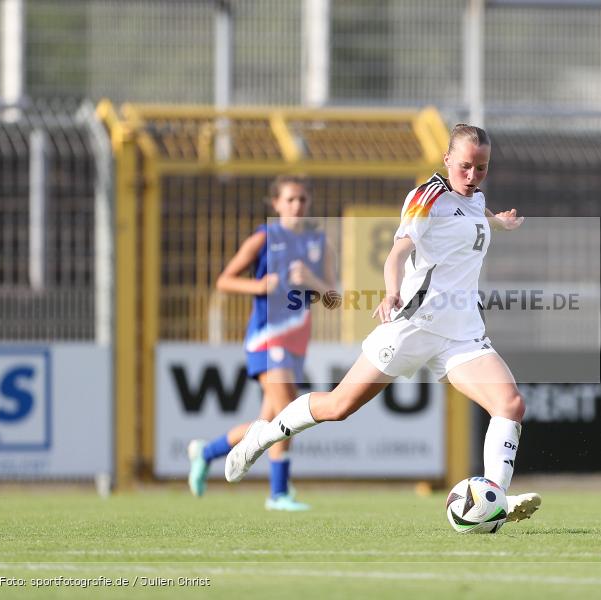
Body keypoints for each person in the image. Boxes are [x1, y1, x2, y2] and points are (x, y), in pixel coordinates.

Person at [225, 125, 541, 523]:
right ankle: (265, 434)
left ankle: (494, 498)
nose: (473, 176)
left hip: (461, 333)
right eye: (465, 166)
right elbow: (397, 252)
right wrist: (392, 292)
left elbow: (473, 215)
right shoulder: (427, 197)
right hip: (412, 324)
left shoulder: (475, 199)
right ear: (446, 160)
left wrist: (499, 222)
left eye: (482, 168)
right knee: (338, 407)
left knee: (510, 404)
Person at [187, 176, 336, 511]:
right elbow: (224, 280)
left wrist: (312, 281)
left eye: (302, 200)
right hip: (266, 340)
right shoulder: (263, 238)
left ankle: (206, 452)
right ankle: (278, 493)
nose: (297, 206)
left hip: (297, 343)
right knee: (288, 415)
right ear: (276, 204)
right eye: (290, 200)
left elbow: (333, 298)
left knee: (269, 425)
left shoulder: (319, 243)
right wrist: (259, 286)